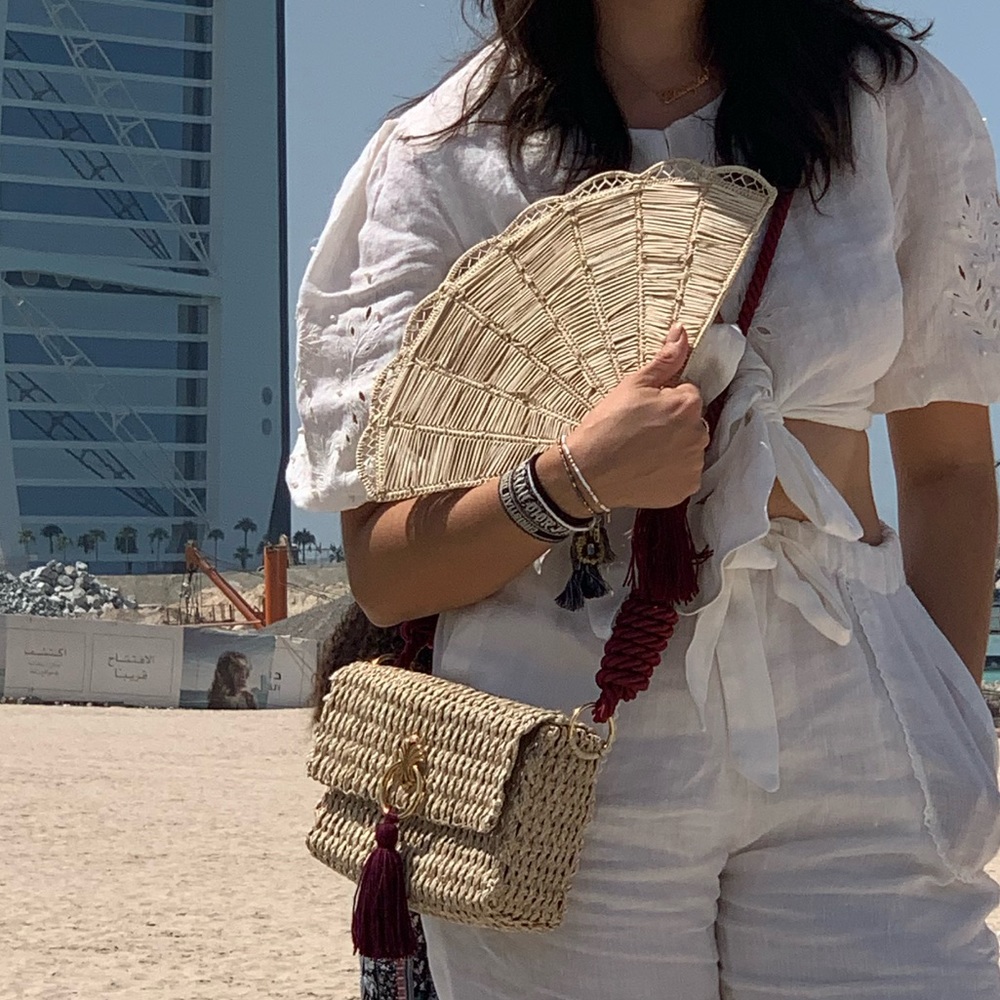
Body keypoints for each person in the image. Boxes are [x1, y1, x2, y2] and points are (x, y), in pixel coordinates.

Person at [288, 0, 1000, 996]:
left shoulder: (884, 105)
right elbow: (384, 568)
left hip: (855, 703)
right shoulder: (443, 152)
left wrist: (945, 712)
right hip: (557, 731)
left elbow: (950, 471)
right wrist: (568, 480)